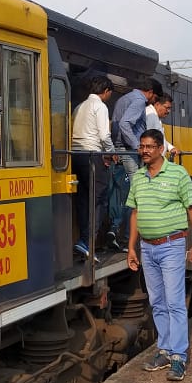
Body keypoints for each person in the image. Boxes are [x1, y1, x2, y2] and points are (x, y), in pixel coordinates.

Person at [126, 129, 192, 383]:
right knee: (157, 302)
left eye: (149, 146)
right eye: (142, 147)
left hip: (172, 245)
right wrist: (131, 248)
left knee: (174, 302)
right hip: (147, 248)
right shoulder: (137, 177)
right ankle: (164, 350)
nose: (144, 151)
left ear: (161, 149)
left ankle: (179, 356)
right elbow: (135, 213)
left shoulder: (178, 174)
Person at [71, 75, 115, 257]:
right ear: (105, 92)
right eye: (109, 94)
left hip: (76, 156)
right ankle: (88, 241)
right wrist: (112, 153)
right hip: (92, 155)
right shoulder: (100, 106)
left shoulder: (79, 106)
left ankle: (83, 239)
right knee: (99, 199)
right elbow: (104, 136)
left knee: (83, 199)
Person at [110, 78, 158, 242]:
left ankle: (117, 230)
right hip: (128, 150)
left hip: (119, 149)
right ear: (150, 92)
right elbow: (125, 124)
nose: (153, 102)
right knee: (137, 191)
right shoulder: (139, 100)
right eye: (155, 99)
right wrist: (137, 145)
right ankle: (129, 236)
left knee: (122, 192)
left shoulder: (124, 98)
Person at [145, 93, 178, 157]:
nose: (168, 111)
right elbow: (148, 138)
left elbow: (159, 138)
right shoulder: (150, 115)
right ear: (157, 104)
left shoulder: (155, 117)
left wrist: (170, 148)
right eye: (167, 108)